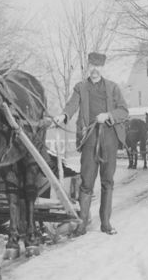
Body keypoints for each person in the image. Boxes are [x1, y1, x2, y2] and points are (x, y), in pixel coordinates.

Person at [53, 52, 128, 235]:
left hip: (109, 138)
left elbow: (124, 111)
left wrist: (108, 116)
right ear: (87, 66)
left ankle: (106, 223)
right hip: (89, 138)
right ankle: (82, 224)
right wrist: (64, 115)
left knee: (107, 181)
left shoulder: (113, 88)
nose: (95, 70)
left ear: (103, 68)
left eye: (98, 66)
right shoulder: (81, 87)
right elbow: (72, 105)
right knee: (86, 182)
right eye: (92, 66)